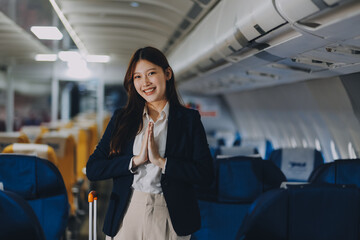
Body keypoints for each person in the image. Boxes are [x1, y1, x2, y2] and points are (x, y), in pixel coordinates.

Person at [86, 46, 214, 240]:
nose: (144, 82)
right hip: (126, 210)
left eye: (151, 73)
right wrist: (134, 161)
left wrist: (162, 162)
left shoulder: (189, 120)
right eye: (137, 77)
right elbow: (93, 168)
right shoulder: (122, 119)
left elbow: (205, 175)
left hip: (170, 215)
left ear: (167, 73)